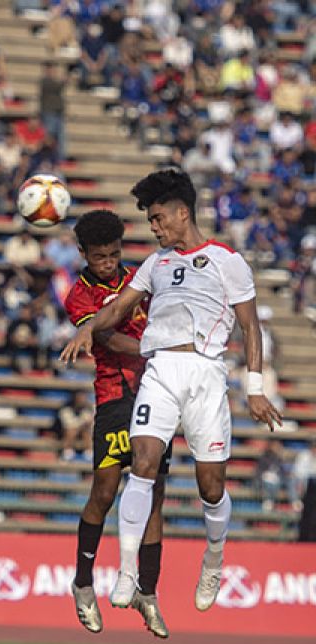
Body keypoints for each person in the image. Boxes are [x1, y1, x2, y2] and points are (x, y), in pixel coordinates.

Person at [61, 171, 283, 619]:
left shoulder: (227, 260)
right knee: (141, 467)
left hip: (205, 374)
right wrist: (89, 328)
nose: (155, 228)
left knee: (211, 486)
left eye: (159, 218)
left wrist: (254, 388)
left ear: (184, 213)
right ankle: (126, 573)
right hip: (158, 371)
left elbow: (250, 326)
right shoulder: (155, 263)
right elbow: (120, 307)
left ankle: (214, 560)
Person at [61, 210, 173, 637]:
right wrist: (154, 348)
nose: (107, 263)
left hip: (157, 395)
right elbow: (104, 337)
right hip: (113, 398)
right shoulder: (79, 296)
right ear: (84, 254)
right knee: (104, 492)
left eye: (113, 255)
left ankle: (148, 590)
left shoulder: (142, 279)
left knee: (155, 495)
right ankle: (83, 582)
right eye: (99, 257)